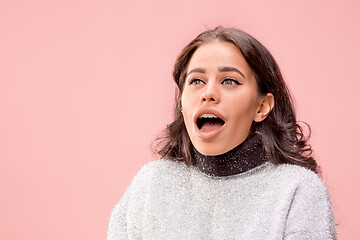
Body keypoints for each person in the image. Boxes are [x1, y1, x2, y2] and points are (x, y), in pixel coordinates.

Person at [107, 26, 337, 239]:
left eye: (229, 81)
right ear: (182, 103)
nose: (208, 93)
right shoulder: (150, 184)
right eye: (196, 80)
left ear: (262, 107)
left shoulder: (298, 191)